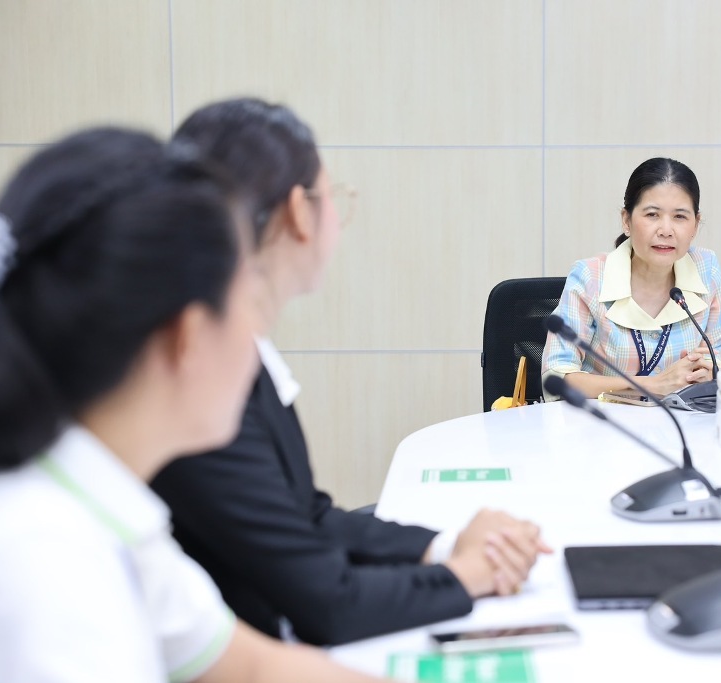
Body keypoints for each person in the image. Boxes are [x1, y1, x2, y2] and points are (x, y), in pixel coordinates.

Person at [0, 127, 385, 682]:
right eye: (246, 300)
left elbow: (255, 668)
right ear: (187, 337)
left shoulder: (101, 502)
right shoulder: (46, 572)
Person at [151, 98, 551, 646]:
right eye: (333, 198)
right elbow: (327, 604)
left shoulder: (240, 348)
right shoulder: (203, 379)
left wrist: (447, 545)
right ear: (299, 212)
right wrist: (468, 574)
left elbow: (308, 517)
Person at [542, 157, 721, 399]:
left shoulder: (707, 270)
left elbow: (712, 358)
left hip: (680, 419)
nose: (666, 230)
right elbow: (557, 379)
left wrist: (707, 374)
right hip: (599, 420)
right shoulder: (590, 278)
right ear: (626, 220)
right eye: (652, 214)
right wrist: (651, 385)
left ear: (695, 225)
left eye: (680, 217)